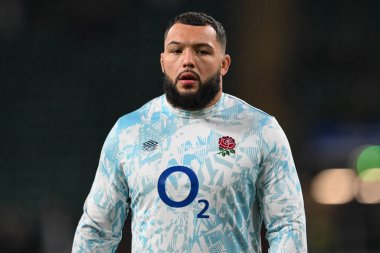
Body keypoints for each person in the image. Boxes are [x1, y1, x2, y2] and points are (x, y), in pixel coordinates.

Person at [72, 12, 307, 253]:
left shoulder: (261, 130)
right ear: (163, 62)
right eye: (176, 51)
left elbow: (287, 225)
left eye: (202, 51)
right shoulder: (129, 131)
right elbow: (97, 231)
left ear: (224, 64)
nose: (188, 61)